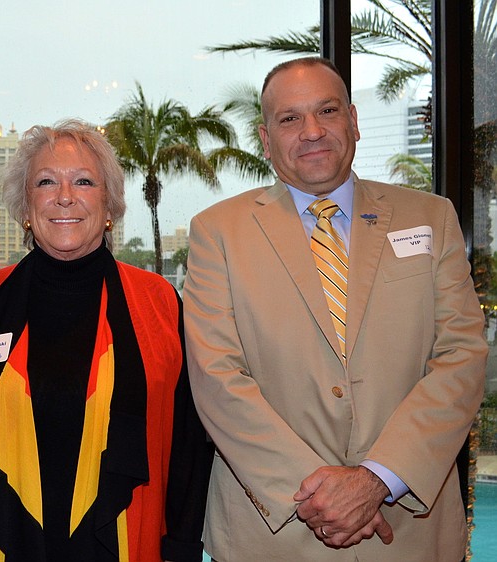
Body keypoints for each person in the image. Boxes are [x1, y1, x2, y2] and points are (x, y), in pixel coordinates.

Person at [183, 56, 487, 561]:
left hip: (410, 530)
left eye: (327, 110)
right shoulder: (217, 233)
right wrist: (326, 496)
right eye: (289, 118)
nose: (312, 131)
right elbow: (217, 378)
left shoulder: (431, 217)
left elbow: (462, 356)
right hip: (274, 535)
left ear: (353, 120)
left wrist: (377, 479)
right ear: (265, 138)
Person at [0, 119, 212, 562]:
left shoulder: (158, 302)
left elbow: (190, 444)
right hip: (11, 540)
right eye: (46, 182)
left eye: (83, 181)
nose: (65, 196)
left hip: (127, 538)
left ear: (109, 206)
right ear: (26, 205)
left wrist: (181, 545)